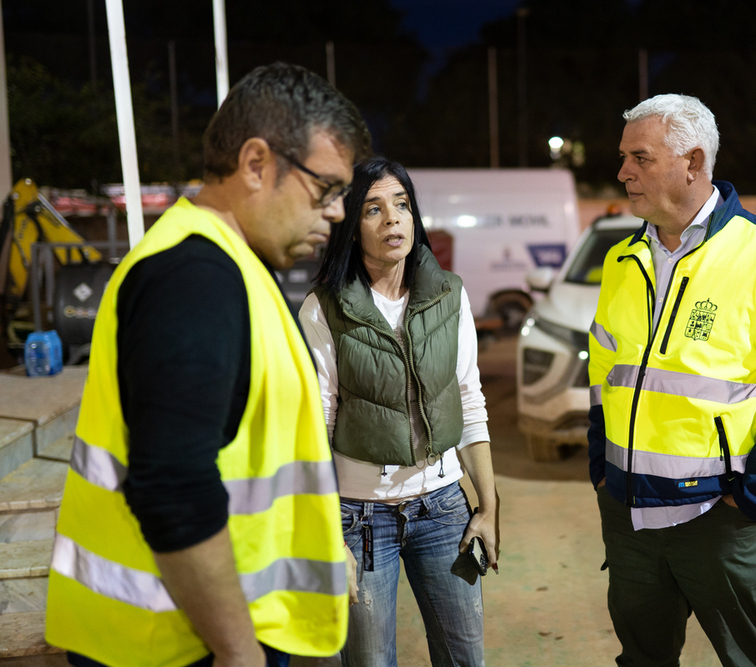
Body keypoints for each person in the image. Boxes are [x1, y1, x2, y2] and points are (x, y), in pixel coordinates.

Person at [45, 62, 372, 667]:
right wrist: (237, 651)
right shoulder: (195, 280)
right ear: (255, 164)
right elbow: (173, 487)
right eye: (326, 190)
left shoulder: (229, 268)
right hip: (177, 644)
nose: (336, 213)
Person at [588, 94, 756, 667]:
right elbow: (605, 374)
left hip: (721, 520)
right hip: (629, 516)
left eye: (640, 157)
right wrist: (601, 472)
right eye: (624, 157)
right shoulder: (621, 261)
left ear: (693, 162)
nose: (623, 171)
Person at [299, 156, 499, 667]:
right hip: (359, 519)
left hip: (443, 509)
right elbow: (316, 429)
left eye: (402, 204)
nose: (392, 219)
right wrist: (326, 532)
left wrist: (488, 508)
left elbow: (470, 401)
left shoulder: (448, 295)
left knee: (465, 660)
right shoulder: (324, 308)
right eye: (373, 208)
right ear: (350, 225)